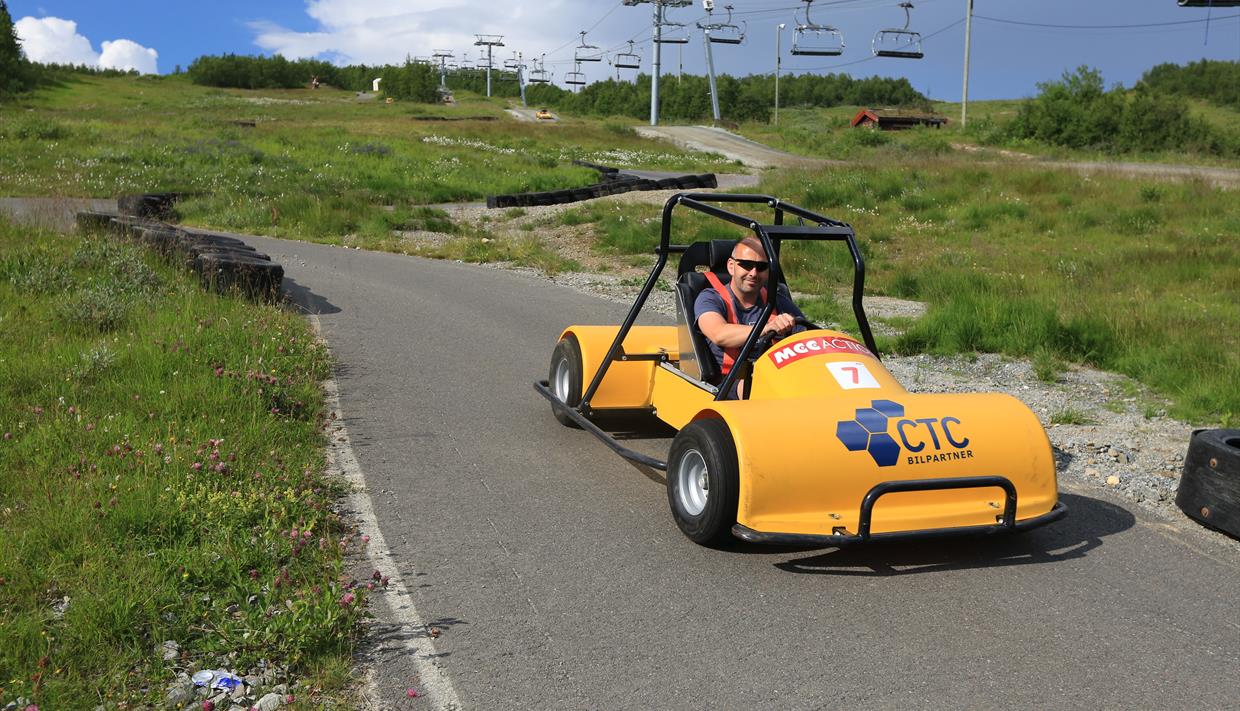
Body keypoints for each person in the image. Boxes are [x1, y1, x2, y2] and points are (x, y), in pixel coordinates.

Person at [694, 236, 806, 397]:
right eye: (746, 265)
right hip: (728, 380)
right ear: (731, 266)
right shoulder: (710, 298)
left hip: (773, 376)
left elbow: (807, 336)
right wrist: (767, 328)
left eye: (761, 267)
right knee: (767, 391)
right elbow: (718, 334)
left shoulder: (776, 300)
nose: (753, 273)